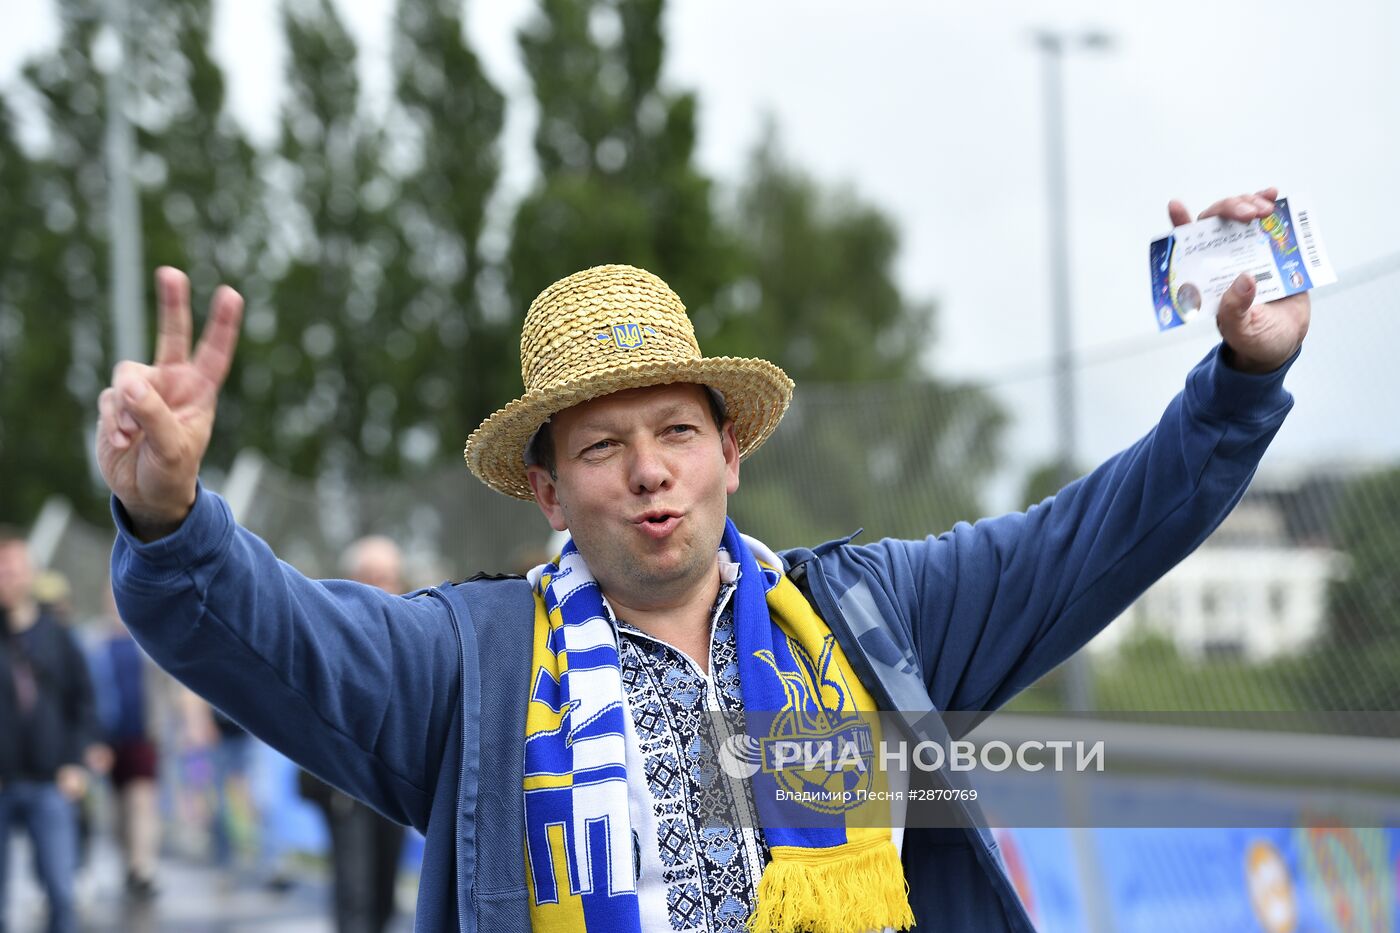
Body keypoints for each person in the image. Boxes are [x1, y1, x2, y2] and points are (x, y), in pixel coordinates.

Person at [100, 189, 1308, 932]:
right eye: (603, 446)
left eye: (677, 431)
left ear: (729, 450)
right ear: (548, 490)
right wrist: (172, 516)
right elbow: (264, 635)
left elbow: (1089, 540)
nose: (649, 470)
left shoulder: (872, 617)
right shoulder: (466, 667)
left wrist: (1238, 384)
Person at [297, 536, 409, 933]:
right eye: (371, 577)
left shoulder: (412, 635)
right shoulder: (329, 631)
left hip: (394, 785)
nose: (381, 588)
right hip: (345, 785)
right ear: (351, 579)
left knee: (383, 893)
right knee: (354, 893)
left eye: (388, 578)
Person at [0, 529, 99, 933]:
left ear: (32, 573)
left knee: (60, 889)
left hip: (51, 780)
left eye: (15, 569)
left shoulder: (58, 636)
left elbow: (85, 703)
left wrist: (76, 762)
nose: (9, 577)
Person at [86, 587, 163, 901]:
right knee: (117, 809)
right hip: (107, 736)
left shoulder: (146, 639)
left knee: (142, 801)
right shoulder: (93, 642)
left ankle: (143, 867)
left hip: (142, 733)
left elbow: (166, 684)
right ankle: (127, 863)